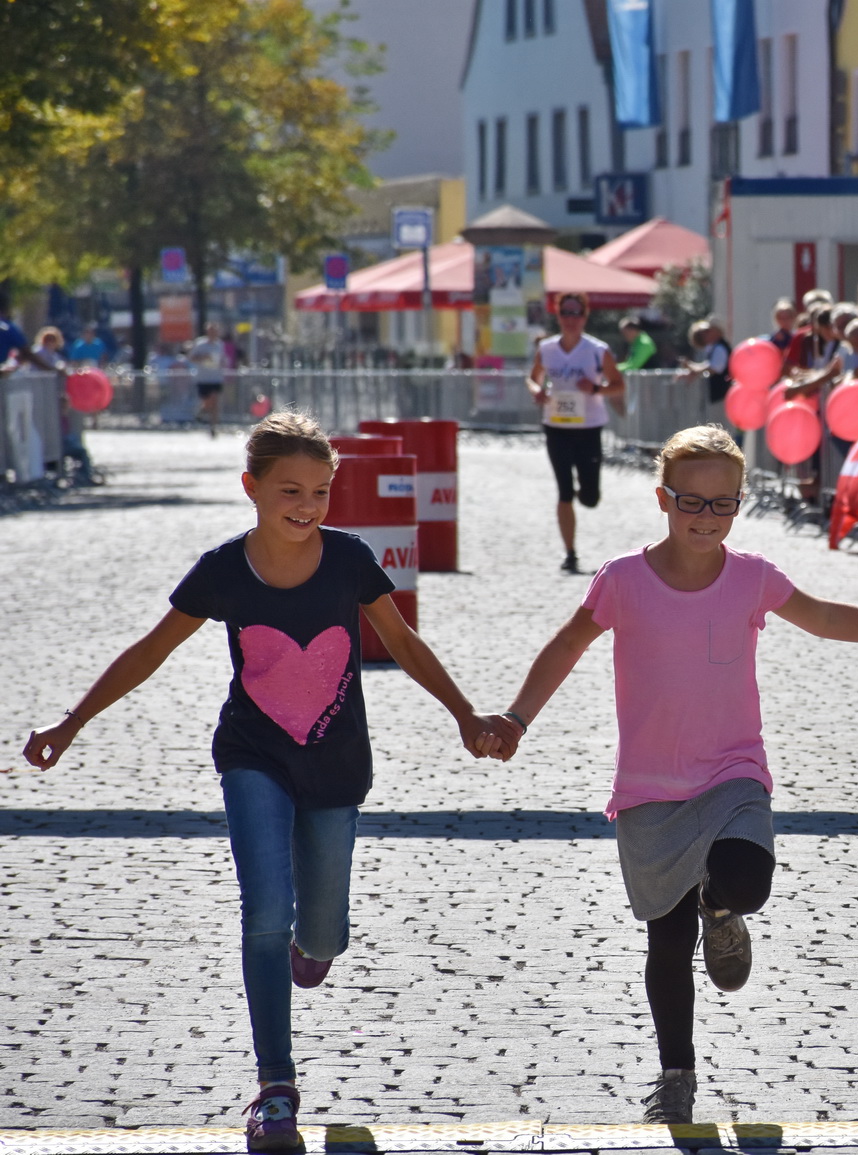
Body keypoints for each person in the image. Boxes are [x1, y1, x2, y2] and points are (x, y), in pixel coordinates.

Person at [21, 412, 516, 1153]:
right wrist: (72, 721)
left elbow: (403, 642)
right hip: (252, 754)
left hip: (336, 764)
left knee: (319, 932)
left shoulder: (349, 559)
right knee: (264, 913)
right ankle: (275, 1088)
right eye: (290, 490)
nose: (307, 505)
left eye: (320, 491)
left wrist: (464, 713)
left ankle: (313, 946)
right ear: (250, 487)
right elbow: (150, 650)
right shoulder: (223, 569)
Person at [499, 424, 858, 1124]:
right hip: (649, 788)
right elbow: (566, 645)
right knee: (668, 943)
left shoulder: (753, 577)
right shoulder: (622, 579)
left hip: (734, 772)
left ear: (740, 503)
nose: (706, 517)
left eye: (723, 503)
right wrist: (517, 719)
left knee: (748, 879)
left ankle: (722, 906)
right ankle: (676, 1075)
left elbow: (825, 617)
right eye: (691, 501)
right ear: (662, 500)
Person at [528, 292, 628, 575]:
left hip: (588, 428)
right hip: (556, 427)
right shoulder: (547, 349)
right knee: (563, 491)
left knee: (590, 497)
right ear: (558, 316)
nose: (570, 319)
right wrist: (537, 391)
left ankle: (585, 490)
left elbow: (618, 385)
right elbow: (532, 378)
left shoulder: (597, 350)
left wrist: (595, 388)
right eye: (565, 313)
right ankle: (570, 553)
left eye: (576, 313)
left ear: (584, 317)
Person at [189, 322, 228, 438]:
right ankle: (202, 411)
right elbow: (191, 358)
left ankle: (213, 427)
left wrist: (222, 363)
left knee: (215, 401)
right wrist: (203, 357)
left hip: (216, 378)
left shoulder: (220, 344)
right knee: (207, 402)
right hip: (203, 378)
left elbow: (223, 359)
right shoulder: (200, 344)